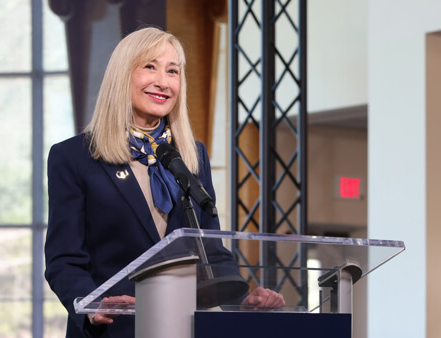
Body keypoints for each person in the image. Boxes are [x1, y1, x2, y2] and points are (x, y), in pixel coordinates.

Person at [44, 26, 285, 338]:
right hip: (113, 331)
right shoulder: (73, 157)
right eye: (149, 67)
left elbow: (210, 250)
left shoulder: (191, 155)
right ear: (121, 75)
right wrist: (91, 304)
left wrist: (242, 302)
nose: (163, 82)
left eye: (173, 71)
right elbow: (64, 259)